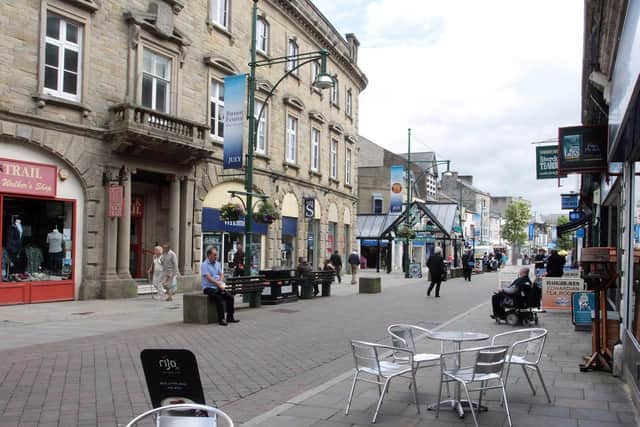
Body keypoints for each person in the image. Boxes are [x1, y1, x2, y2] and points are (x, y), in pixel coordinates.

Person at [201, 247, 238, 325]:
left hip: (218, 287)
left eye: (216, 255)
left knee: (230, 297)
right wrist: (218, 283)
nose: (216, 256)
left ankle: (230, 317)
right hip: (208, 288)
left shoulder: (217, 264)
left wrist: (220, 281)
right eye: (214, 255)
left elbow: (221, 274)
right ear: (209, 255)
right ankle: (221, 319)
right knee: (219, 298)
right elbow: (208, 278)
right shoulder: (204, 265)